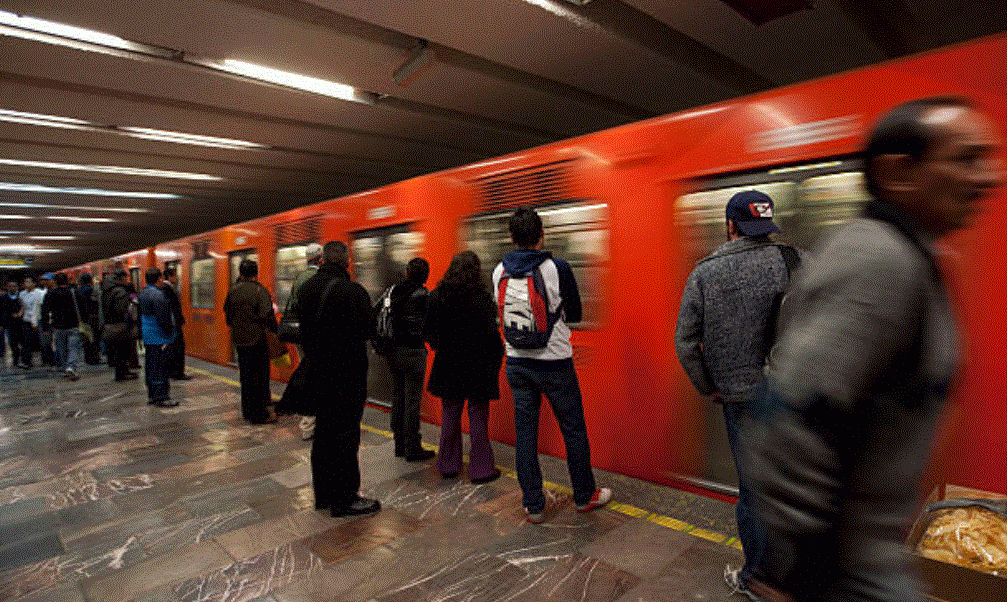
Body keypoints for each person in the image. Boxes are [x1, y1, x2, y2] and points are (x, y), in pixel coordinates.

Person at [749, 97, 1001, 602]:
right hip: (850, 574)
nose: (991, 177)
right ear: (900, 172)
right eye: (967, 158)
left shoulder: (910, 256)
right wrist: (794, 577)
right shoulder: (878, 260)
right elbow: (794, 418)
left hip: (869, 560)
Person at [673, 189, 800, 599]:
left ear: (730, 225)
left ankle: (758, 577)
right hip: (793, 393)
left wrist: (707, 384)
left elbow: (685, 343)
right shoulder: (794, 260)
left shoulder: (705, 272)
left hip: (740, 398)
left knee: (753, 490)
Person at [493, 206, 611, 523]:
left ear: (511, 237)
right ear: (541, 235)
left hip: (516, 362)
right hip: (555, 364)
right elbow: (574, 314)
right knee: (573, 430)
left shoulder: (498, 271)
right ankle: (585, 496)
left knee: (526, 435)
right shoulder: (557, 267)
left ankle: (533, 505)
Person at [296, 241, 379, 517]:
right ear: (346, 261)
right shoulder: (353, 291)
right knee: (346, 435)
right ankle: (345, 498)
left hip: (318, 372)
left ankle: (323, 494)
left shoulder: (306, 289)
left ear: (322, 260)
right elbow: (370, 330)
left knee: (323, 434)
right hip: (347, 376)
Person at [424, 251, 504, 483]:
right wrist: (495, 358)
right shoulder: (481, 297)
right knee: (478, 416)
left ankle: (448, 464)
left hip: (449, 364)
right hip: (478, 365)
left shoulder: (437, 296)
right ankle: (481, 469)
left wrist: (442, 346)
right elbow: (491, 335)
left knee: (450, 414)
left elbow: (428, 330)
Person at [386, 257, 435, 461]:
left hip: (394, 352)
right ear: (425, 275)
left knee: (398, 397)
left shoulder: (393, 291)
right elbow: (431, 325)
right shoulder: (424, 295)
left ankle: (398, 444)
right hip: (414, 353)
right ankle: (412, 447)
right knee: (412, 401)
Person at [223, 259, 278, 424]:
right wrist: (275, 331)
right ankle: (259, 413)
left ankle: (248, 411)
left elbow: (228, 316)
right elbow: (267, 315)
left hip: (239, 341)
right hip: (257, 340)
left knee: (246, 376)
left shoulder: (233, 291)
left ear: (240, 273)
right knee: (260, 376)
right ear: (256, 273)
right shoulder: (258, 291)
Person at [286, 242, 323, 440]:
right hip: (316, 336)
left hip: (302, 334)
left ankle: (310, 422)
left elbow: (293, 304)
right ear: (321, 258)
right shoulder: (318, 278)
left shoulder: (300, 277)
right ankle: (310, 423)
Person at [139, 267, 177, 407]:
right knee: (161, 368)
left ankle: (152, 395)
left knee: (151, 367)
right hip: (159, 337)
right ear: (159, 278)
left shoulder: (143, 293)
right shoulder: (157, 295)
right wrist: (170, 334)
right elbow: (164, 318)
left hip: (148, 336)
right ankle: (162, 397)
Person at [40, 273, 86, 381]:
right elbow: (83, 307)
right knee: (73, 347)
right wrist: (83, 321)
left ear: (56, 281)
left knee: (62, 348)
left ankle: (66, 368)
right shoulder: (74, 292)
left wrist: (46, 327)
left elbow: (45, 312)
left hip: (58, 326)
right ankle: (71, 367)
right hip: (73, 324)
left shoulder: (50, 294)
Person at [102, 270, 137, 381]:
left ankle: (122, 372)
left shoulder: (107, 290)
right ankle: (122, 373)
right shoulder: (120, 291)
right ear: (121, 278)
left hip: (110, 325)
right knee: (123, 350)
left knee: (117, 350)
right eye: (125, 278)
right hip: (120, 325)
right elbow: (121, 309)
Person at [161, 267, 192, 380]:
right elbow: (172, 308)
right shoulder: (167, 289)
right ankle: (178, 373)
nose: (177, 277)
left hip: (173, 323)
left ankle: (174, 372)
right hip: (174, 324)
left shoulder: (165, 288)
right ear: (169, 276)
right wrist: (177, 321)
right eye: (175, 275)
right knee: (178, 348)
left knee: (174, 348)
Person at [19, 276, 44, 369]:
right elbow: (23, 306)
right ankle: (26, 361)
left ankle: (46, 360)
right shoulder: (22, 294)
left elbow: (37, 308)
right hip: (26, 320)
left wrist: (35, 322)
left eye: (28, 282)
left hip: (37, 319)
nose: (26, 283)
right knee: (26, 341)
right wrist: (20, 314)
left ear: (34, 283)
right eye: (25, 281)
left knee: (41, 341)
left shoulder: (39, 293)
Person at [77, 273, 101, 365]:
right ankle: (94, 358)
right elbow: (95, 303)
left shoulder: (78, 290)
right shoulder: (91, 290)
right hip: (92, 317)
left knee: (86, 339)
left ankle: (88, 358)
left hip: (83, 318)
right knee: (94, 338)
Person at [2, 281, 24, 367]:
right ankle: (15, 359)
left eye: (14, 286)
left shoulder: (21, 296)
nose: (12, 288)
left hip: (21, 322)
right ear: (8, 287)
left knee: (23, 342)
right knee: (12, 342)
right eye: (10, 286)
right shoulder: (4, 297)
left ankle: (24, 359)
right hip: (9, 323)